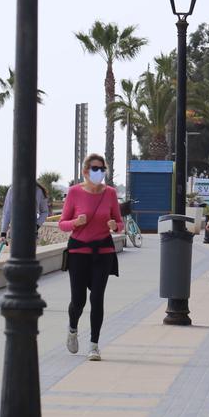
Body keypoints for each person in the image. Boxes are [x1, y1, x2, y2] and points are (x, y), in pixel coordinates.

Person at [58, 153, 123, 361]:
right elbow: (62, 223)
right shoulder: (74, 192)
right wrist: (75, 222)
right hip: (79, 252)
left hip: (103, 251)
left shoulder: (110, 193)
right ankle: (73, 329)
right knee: (78, 300)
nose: (99, 173)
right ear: (85, 171)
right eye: (95, 169)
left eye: (102, 169)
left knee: (97, 298)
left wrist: (115, 226)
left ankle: (94, 345)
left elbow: (120, 223)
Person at [1, 181, 51, 245]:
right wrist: (3, 233)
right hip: (15, 233)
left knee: (30, 255)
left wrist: (37, 225)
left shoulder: (39, 190)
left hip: (31, 235)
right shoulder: (13, 189)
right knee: (17, 254)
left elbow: (45, 212)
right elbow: (7, 213)